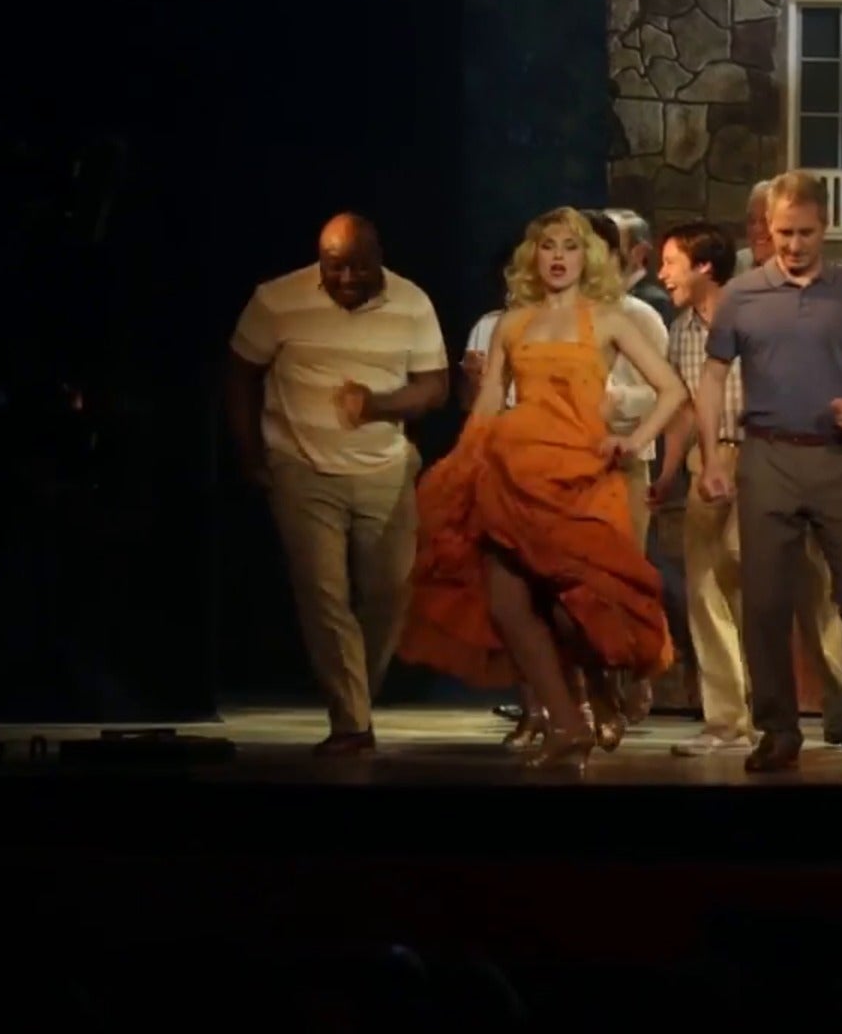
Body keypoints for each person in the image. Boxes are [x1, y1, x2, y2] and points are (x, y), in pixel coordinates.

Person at [398, 206, 688, 772]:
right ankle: (567, 725)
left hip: (581, 476)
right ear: (534, 255)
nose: (558, 257)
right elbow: (489, 402)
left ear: (589, 257)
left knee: (573, 607)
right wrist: (465, 464)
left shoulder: (609, 320)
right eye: (549, 246)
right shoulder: (513, 323)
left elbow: (672, 390)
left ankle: (601, 689)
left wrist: (633, 441)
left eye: (570, 246)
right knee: (508, 605)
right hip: (513, 472)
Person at [693, 171, 842, 774]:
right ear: (768, 227)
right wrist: (712, 457)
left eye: (805, 232)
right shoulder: (742, 295)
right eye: (784, 232)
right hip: (767, 456)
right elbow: (712, 378)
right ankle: (778, 729)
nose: (793, 244)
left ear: (825, 228)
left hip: (838, 459)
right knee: (765, 600)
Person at [225, 212, 450, 755]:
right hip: (301, 467)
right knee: (324, 596)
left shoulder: (412, 303)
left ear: (379, 260)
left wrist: (377, 405)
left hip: (385, 469)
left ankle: (355, 700)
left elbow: (434, 388)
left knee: (390, 592)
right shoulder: (277, 300)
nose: (347, 277)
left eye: (359, 267)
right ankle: (352, 724)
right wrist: (251, 453)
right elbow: (238, 375)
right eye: (335, 266)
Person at [653, 219, 842, 757]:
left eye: (671, 263)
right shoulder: (681, 331)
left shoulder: (758, 313)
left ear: (703, 266)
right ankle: (727, 720)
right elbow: (686, 408)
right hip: (708, 458)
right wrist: (670, 471)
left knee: (806, 582)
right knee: (704, 585)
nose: (661, 274)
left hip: (771, 454)